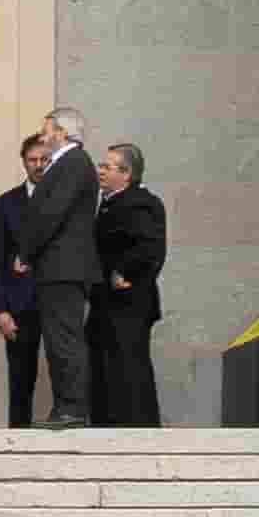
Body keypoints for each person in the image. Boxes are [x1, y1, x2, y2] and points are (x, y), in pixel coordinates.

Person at [4, 107, 106, 430]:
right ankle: (67, 406)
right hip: (60, 269)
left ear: (62, 132)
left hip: (64, 269)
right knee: (60, 338)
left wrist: (27, 252)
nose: (44, 136)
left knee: (64, 339)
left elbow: (50, 214)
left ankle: (72, 408)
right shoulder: (68, 164)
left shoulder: (72, 163)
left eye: (47, 130)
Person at [95, 137, 171, 428]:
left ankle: (138, 428)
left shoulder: (142, 203)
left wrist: (123, 272)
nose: (100, 171)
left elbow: (150, 248)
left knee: (130, 367)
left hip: (129, 302)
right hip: (108, 303)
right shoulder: (107, 204)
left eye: (107, 166)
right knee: (108, 367)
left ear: (126, 174)